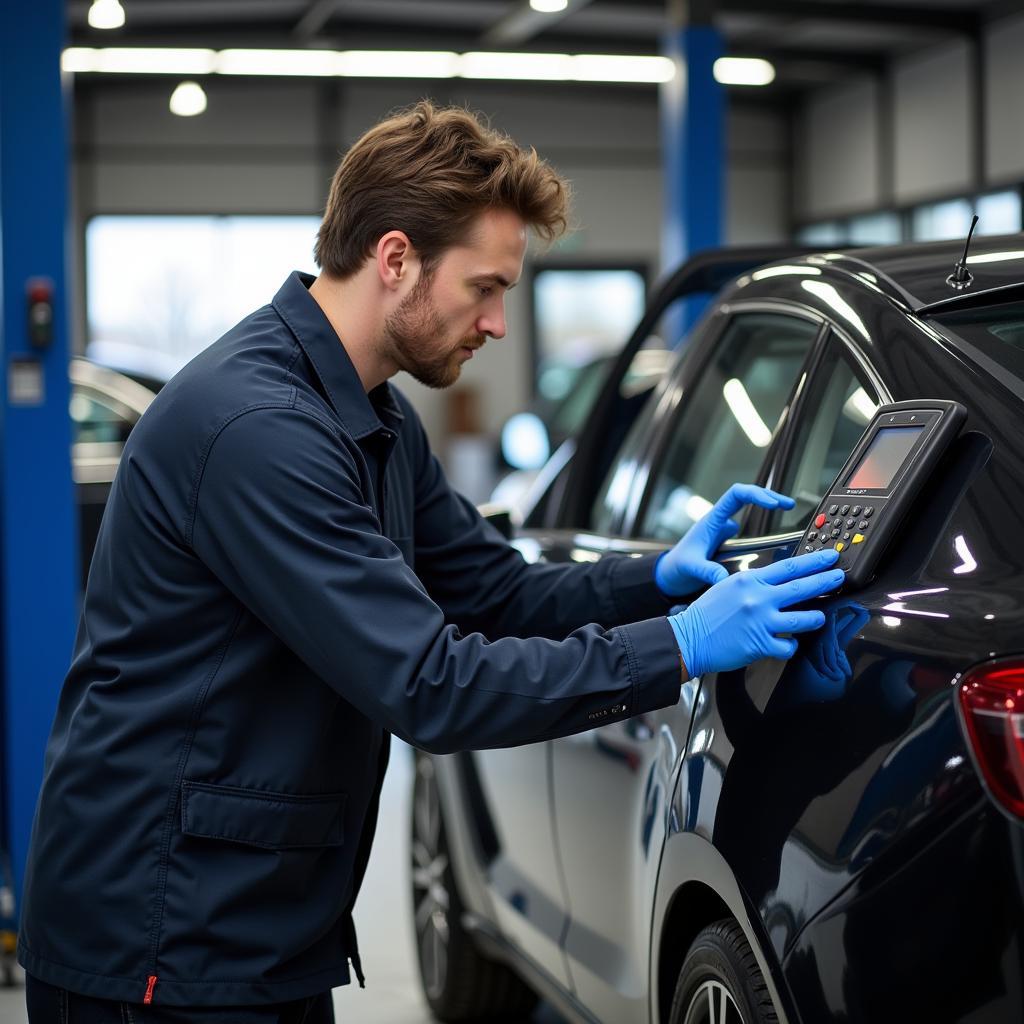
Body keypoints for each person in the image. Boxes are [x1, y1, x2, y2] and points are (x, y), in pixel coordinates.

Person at [18, 101, 843, 1023]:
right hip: (158, 934)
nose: (496, 323)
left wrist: (654, 579)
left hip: (255, 921)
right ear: (397, 258)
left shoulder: (371, 413)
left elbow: (491, 589)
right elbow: (431, 684)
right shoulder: (259, 432)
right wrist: (679, 646)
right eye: (484, 288)